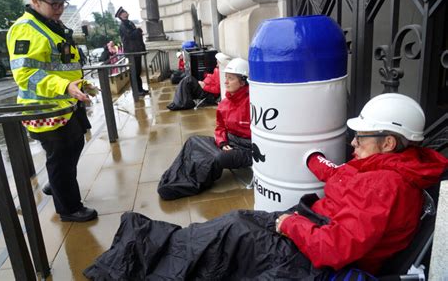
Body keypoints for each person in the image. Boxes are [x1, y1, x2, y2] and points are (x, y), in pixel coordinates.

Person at [84, 93, 447, 279]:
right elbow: (345, 179)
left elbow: (337, 249)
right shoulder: (387, 167)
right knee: (234, 226)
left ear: (388, 141)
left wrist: (290, 225)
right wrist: (314, 161)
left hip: (315, 258)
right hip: (312, 227)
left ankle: (143, 260)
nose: (352, 143)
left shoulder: (384, 185)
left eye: (361, 137)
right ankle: (155, 253)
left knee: (233, 231)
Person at [7, 0, 99, 222]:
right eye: (54, 3)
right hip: (44, 108)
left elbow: (62, 62)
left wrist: (76, 85)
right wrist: (64, 87)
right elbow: (25, 74)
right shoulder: (25, 29)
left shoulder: (50, 24)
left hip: (66, 103)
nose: (59, 8)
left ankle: (56, 185)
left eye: (62, 3)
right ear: (34, 1)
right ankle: (69, 208)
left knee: (75, 144)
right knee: (61, 156)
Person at [158, 58, 252, 200]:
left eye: (230, 78)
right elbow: (220, 128)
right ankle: (181, 177)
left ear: (243, 81)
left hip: (247, 149)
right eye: (225, 78)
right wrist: (222, 143)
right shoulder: (224, 104)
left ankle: (194, 182)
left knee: (218, 157)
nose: (225, 82)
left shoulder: (253, 103)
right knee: (193, 141)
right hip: (229, 142)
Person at [167, 52, 231, 110]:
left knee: (188, 80)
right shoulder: (217, 70)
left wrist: (204, 86)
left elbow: (217, 90)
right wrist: (208, 76)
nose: (216, 61)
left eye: (217, 61)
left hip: (206, 92)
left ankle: (181, 103)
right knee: (185, 81)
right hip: (204, 88)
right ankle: (179, 102)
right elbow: (213, 79)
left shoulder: (219, 72)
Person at [115, 6, 148, 95]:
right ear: (121, 15)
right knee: (134, 72)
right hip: (132, 52)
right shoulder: (123, 25)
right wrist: (138, 31)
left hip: (136, 50)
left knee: (138, 71)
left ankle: (140, 89)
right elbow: (130, 36)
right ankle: (136, 91)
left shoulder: (129, 23)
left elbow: (136, 36)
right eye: (124, 12)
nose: (127, 13)